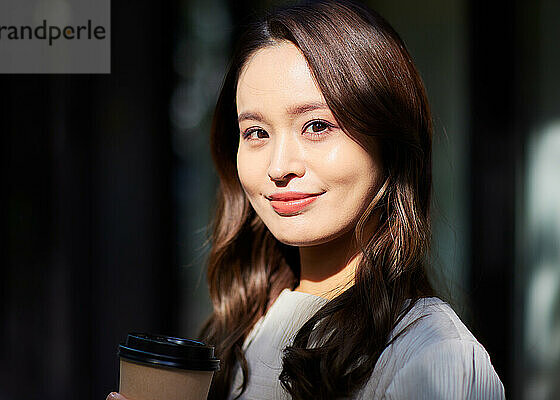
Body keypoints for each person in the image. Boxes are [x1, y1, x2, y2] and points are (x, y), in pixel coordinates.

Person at [107, 1, 505, 399]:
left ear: (390, 143)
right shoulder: (246, 333)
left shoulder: (432, 356)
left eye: (316, 126)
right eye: (256, 133)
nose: (279, 167)